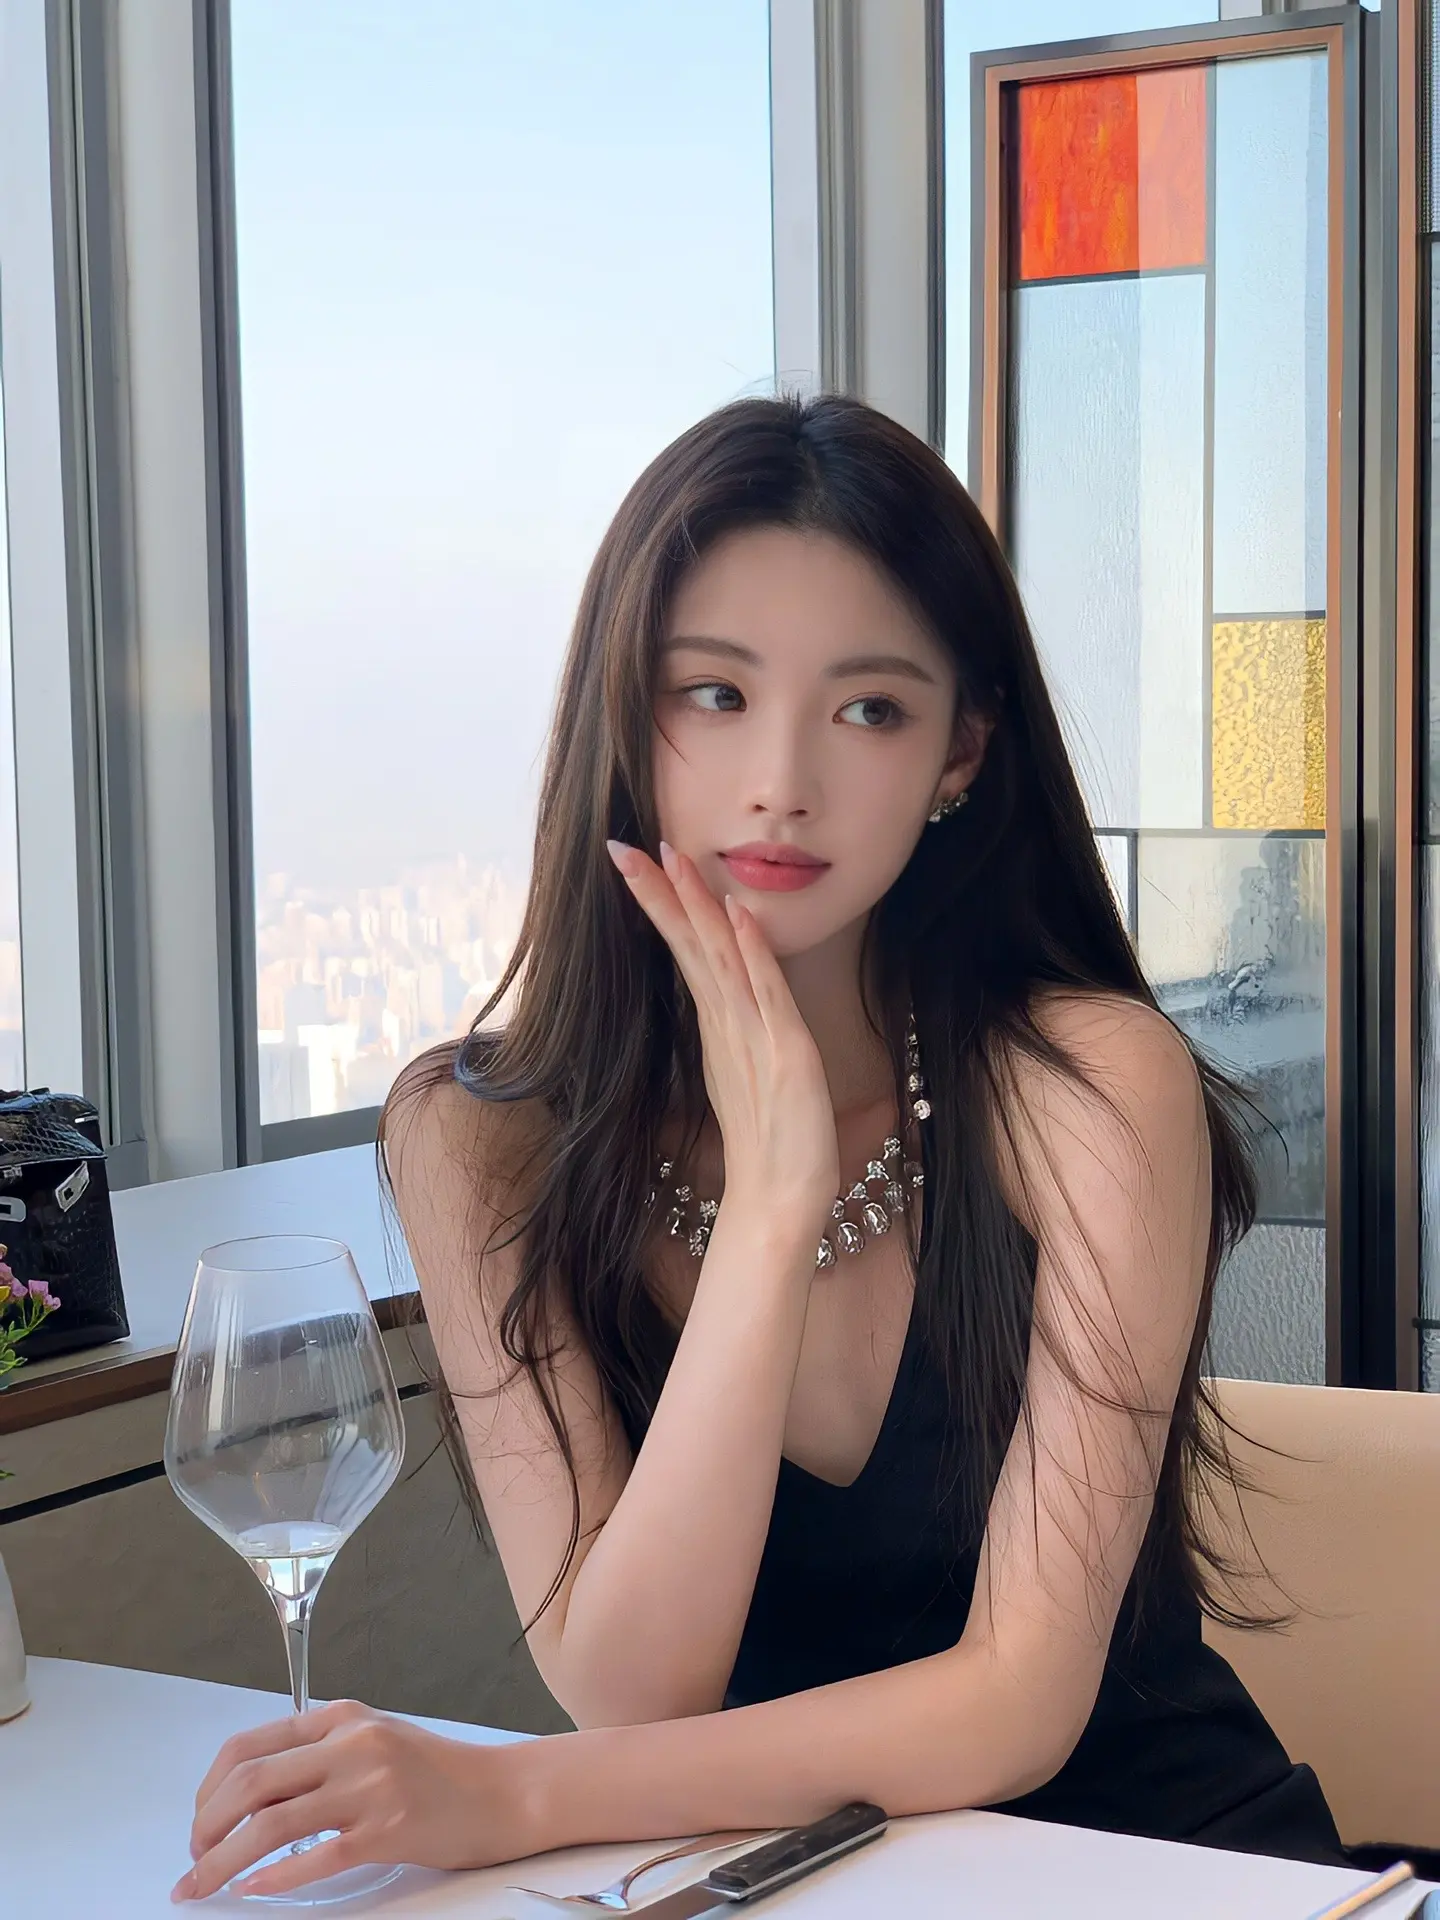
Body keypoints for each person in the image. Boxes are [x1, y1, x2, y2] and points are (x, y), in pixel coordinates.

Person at [172, 394, 1344, 1903]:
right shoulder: (474, 1139)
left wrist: (511, 1794)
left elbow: (1020, 1701)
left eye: (870, 710)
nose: (782, 776)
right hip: (799, 1886)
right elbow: (635, 1684)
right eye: (715, 693)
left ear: (963, 752)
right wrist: (777, 1195)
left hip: (1180, 1873)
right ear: (625, 715)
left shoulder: (1090, 1090)